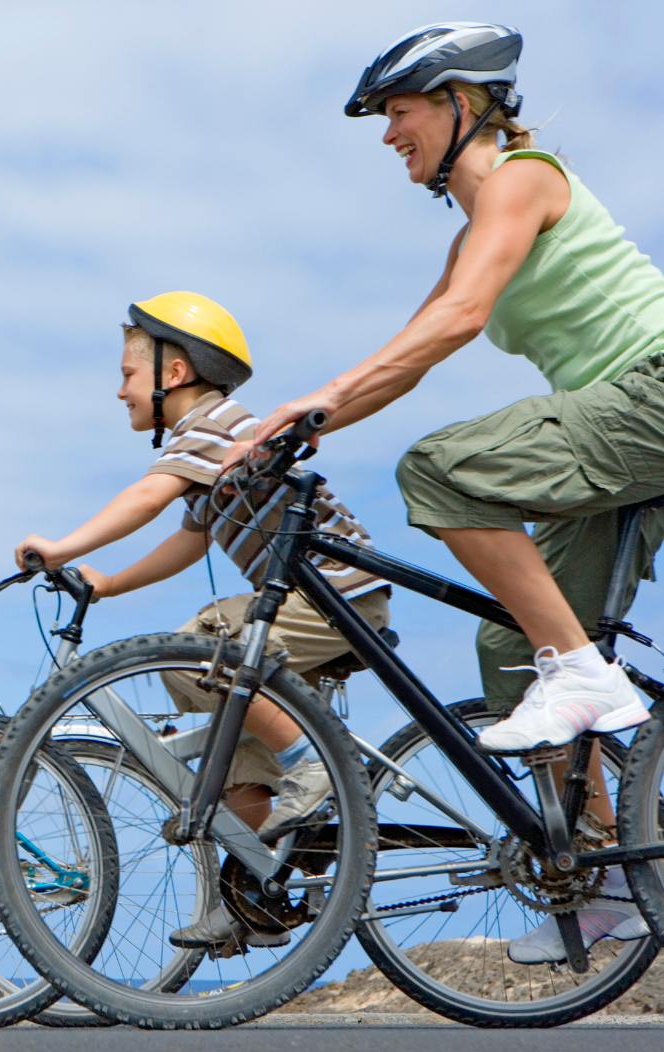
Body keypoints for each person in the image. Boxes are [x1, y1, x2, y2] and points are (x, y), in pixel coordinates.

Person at [246, 22, 662, 961]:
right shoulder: (478, 229)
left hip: (655, 389)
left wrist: (323, 403)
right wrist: (303, 423)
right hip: (626, 415)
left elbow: (465, 316)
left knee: (438, 469)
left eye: (400, 111)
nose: (390, 133)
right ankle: (611, 884)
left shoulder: (524, 178)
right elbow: (419, 346)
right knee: (511, 640)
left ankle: (588, 676)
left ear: (460, 103)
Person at [15, 291, 392, 952]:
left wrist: (65, 546)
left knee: (204, 646)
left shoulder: (216, 427)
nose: (119, 391)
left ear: (176, 374)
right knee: (239, 752)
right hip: (309, 603)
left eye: (128, 375)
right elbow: (190, 540)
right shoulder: (209, 446)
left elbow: (145, 496)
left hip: (335, 598)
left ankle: (315, 769)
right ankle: (248, 894)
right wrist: (110, 583)